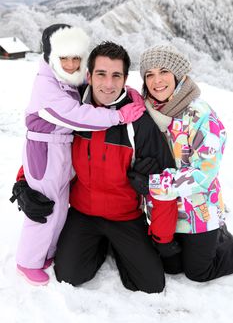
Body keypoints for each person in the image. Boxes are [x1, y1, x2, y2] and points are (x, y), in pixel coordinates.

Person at [13, 41, 176, 293]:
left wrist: (163, 238)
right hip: (83, 213)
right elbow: (44, 144)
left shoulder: (138, 121)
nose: (108, 84)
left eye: (116, 75)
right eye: (101, 74)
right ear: (88, 75)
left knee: (150, 284)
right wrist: (23, 181)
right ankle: (99, 244)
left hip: (124, 216)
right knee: (68, 275)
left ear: (125, 79)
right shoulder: (73, 111)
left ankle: (117, 244)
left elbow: (165, 179)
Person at [131, 43, 233, 282]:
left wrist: (153, 184)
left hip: (198, 213)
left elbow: (203, 174)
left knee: (198, 272)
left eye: (164, 72)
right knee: (172, 268)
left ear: (178, 75)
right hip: (163, 215)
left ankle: (220, 235)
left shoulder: (200, 115)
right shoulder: (145, 115)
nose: (157, 80)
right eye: (149, 75)